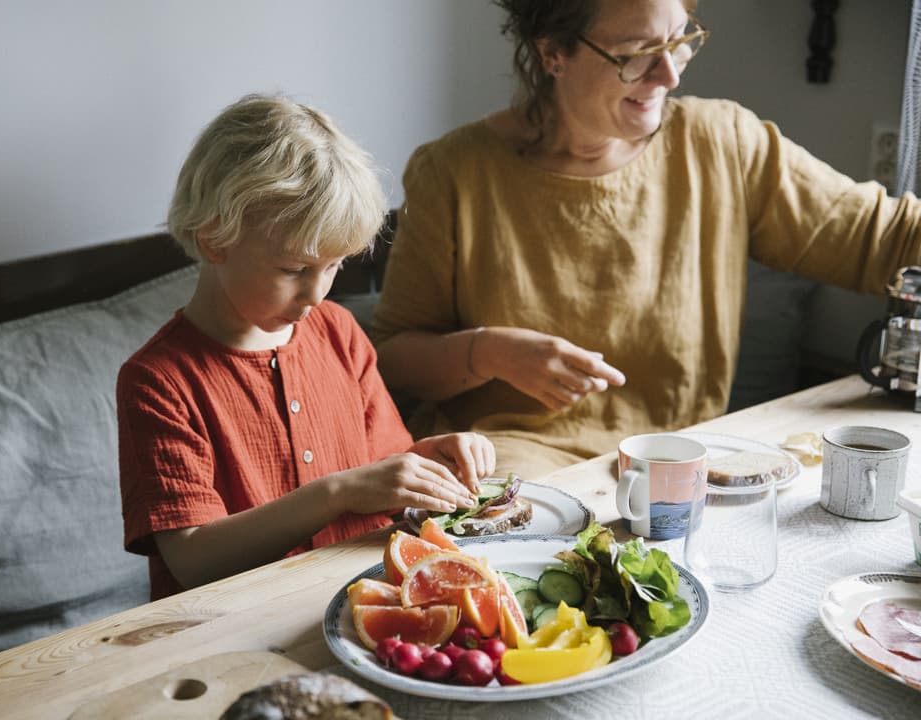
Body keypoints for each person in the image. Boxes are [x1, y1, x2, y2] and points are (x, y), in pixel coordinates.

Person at [371, 0, 921, 480]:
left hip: (680, 463)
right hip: (516, 466)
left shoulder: (723, 142)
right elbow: (393, 359)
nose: (669, 76)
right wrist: (488, 351)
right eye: (635, 53)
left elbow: (888, 239)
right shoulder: (454, 171)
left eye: (680, 42)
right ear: (552, 53)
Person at [117, 93, 494, 600]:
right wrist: (334, 493)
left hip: (356, 604)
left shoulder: (338, 330)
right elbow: (192, 559)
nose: (318, 293)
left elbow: (382, 469)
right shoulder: (159, 381)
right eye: (294, 270)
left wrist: (431, 462)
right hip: (226, 628)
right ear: (215, 240)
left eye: (335, 266)